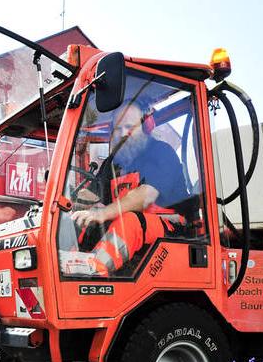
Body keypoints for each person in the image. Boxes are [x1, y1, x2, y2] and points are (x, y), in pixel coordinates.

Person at [69, 100, 190, 275]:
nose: (124, 133)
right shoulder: (112, 163)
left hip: (172, 229)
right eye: (118, 128)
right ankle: (70, 264)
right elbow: (93, 196)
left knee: (130, 221)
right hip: (130, 229)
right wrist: (73, 200)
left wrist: (102, 213)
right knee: (79, 218)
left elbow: (144, 196)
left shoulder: (161, 153)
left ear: (146, 126)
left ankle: (92, 272)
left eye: (130, 127)